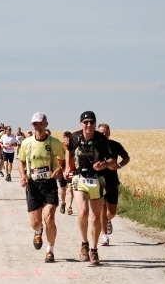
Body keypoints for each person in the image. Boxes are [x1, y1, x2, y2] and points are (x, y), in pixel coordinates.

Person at [63, 111, 114, 265]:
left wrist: (104, 164)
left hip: (97, 180)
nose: (89, 125)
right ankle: (84, 243)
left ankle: (94, 249)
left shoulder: (101, 140)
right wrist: (67, 167)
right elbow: (68, 150)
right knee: (84, 212)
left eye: (92, 122)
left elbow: (112, 160)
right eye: (86, 122)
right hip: (80, 178)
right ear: (81, 124)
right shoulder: (74, 137)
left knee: (95, 217)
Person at [18, 112, 65, 263]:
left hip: (49, 184)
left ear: (46, 124)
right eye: (35, 124)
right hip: (33, 186)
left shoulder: (54, 142)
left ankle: (50, 251)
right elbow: (21, 161)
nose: (37, 126)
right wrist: (23, 176)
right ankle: (38, 231)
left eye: (40, 123)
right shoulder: (27, 143)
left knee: (49, 217)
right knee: (36, 222)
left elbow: (65, 159)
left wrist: (60, 169)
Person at [98, 124, 130, 246]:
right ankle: (104, 236)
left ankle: (108, 220)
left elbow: (126, 157)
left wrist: (118, 166)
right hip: (99, 180)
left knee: (112, 211)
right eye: (101, 132)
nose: (104, 134)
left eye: (106, 132)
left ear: (109, 133)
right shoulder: (95, 146)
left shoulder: (115, 145)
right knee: (102, 208)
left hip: (112, 180)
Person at [57, 131, 75, 215]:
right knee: (63, 189)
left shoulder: (75, 146)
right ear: (63, 138)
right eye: (66, 137)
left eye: (69, 137)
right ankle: (63, 203)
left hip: (72, 170)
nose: (68, 138)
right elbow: (56, 155)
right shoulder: (61, 146)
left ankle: (70, 207)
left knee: (71, 189)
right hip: (62, 169)